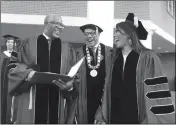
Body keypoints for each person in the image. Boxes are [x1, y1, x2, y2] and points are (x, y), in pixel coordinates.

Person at [95, 13, 175, 124]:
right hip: (114, 118)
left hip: (138, 119)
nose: (114, 35)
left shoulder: (148, 57)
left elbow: (158, 91)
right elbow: (106, 88)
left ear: (129, 35)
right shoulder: (113, 60)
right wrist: (103, 115)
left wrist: (150, 119)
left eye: (118, 31)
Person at [7, 14, 78, 124]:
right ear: (46, 24)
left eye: (62, 25)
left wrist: (70, 86)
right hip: (32, 103)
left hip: (57, 102)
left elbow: (74, 75)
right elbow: (11, 66)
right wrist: (27, 73)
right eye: (57, 23)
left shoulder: (67, 49)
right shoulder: (27, 43)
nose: (60, 27)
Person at [75, 24, 112, 124]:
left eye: (92, 33)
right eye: (86, 34)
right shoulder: (77, 53)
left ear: (98, 34)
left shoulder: (110, 52)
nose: (89, 36)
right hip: (84, 99)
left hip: (104, 98)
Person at [0, 35, 20, 124]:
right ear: (6, 44)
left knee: (12, 101)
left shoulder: (17, 56)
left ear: (15, 44)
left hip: (13, 83)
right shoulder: (2, 55)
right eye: (8, 42)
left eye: (12, 42)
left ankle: (12, 120)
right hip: (2, 83)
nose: (10, 44)